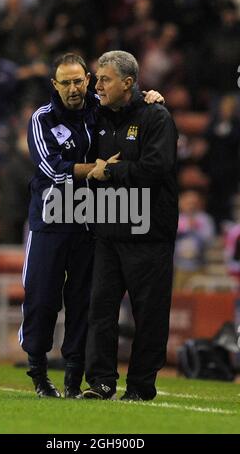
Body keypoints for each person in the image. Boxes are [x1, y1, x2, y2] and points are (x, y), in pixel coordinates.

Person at [18, 52, 164, 399]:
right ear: (54, 85)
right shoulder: (41, 119)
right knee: (41, 300)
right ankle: (38, 370)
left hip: (87, 223)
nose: (73, 88)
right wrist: (93, 169)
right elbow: (52, 169)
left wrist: (149, 96)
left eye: (78, 81)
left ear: (87, 79)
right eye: (65, 82)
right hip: (50, 221)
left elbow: (126, 98)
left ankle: (72, 379)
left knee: (84, 303)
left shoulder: (98, 109)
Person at [82, 50, 178, 401]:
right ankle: (101, 382)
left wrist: (111, 170)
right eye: (97, 78)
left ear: (128, 82)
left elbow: (156, 168)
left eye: (104, 79)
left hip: (149, 234)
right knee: (101, 312)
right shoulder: (98, 115)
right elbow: (64, 100)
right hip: (109, 231)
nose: (97, 85)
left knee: (149, 316)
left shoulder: (157, 117)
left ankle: (140, 387)